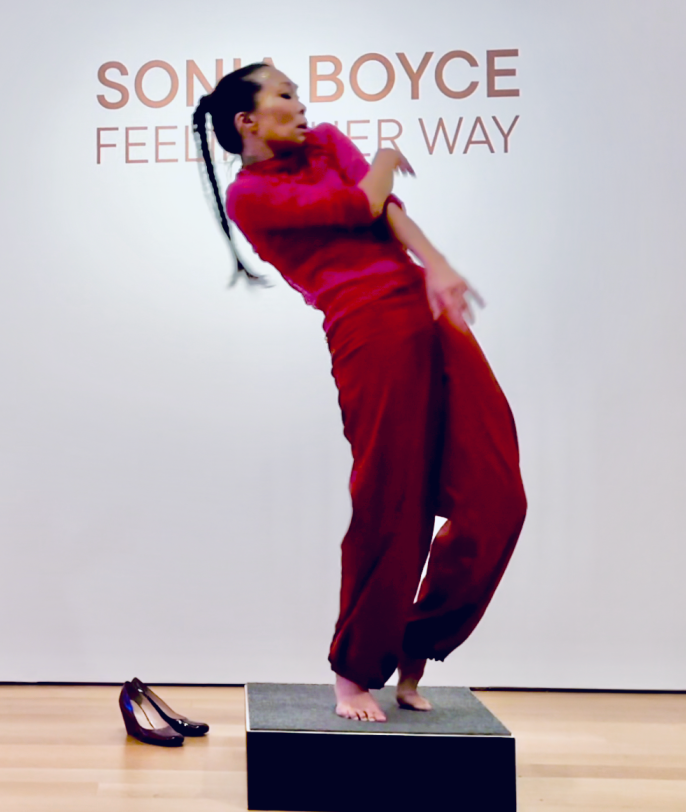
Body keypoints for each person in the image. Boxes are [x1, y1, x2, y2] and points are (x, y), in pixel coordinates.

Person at [192, 63, 527, 723]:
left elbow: (388, 210)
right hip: (367, 331)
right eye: (284, 93)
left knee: (498, 499)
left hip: (427, 315)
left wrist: (441, 267)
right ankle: (356, 668)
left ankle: (415, 639)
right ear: (247, 121)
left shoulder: (328, 144)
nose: (300, 101)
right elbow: (359, 205)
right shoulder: (249, 196)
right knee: (391, 498)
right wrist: (383, 158)